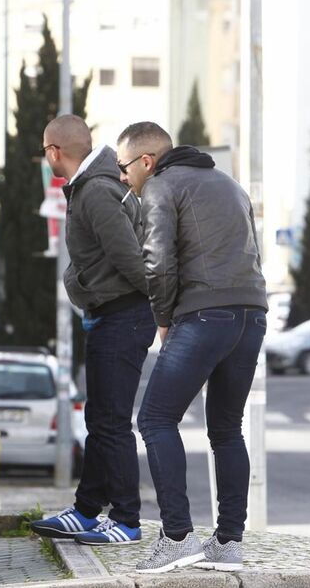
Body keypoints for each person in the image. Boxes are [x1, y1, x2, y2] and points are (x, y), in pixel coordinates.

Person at [116, 122, 267, 573]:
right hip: (251, 314)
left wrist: (164, 318)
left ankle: (178, 536)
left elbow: (158, 262)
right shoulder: (231, 185)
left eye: (124, 168)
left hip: (204, 314)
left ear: (146, 161)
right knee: (225, 428)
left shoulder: (160, 186)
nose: (123, 178)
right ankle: (228, 543)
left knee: (155, 418)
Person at [29, 115, 155, 546]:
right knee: (101, 420)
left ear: (53, 152)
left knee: (112, 423)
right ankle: (86, 511)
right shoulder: (94, 186)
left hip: (123, 317)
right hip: (112, 316)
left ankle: (126, 521)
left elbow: (132, 261)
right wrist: (78, 281)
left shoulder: (97, 192)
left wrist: (163, 310)